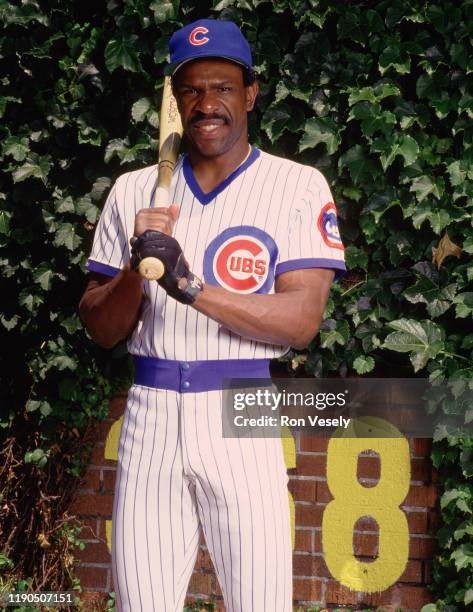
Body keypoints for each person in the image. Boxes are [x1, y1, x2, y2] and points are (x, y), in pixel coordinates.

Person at [79, 18, 346, 612]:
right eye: (193, 90)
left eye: (223, 87)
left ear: (249, 94)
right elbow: (101, 328)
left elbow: (301, 320)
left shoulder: (297, 185)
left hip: (241, 407)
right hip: (150, 412)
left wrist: (188, 285)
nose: (208, 104)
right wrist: (133, 268)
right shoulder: (133, 191)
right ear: (176, 102)